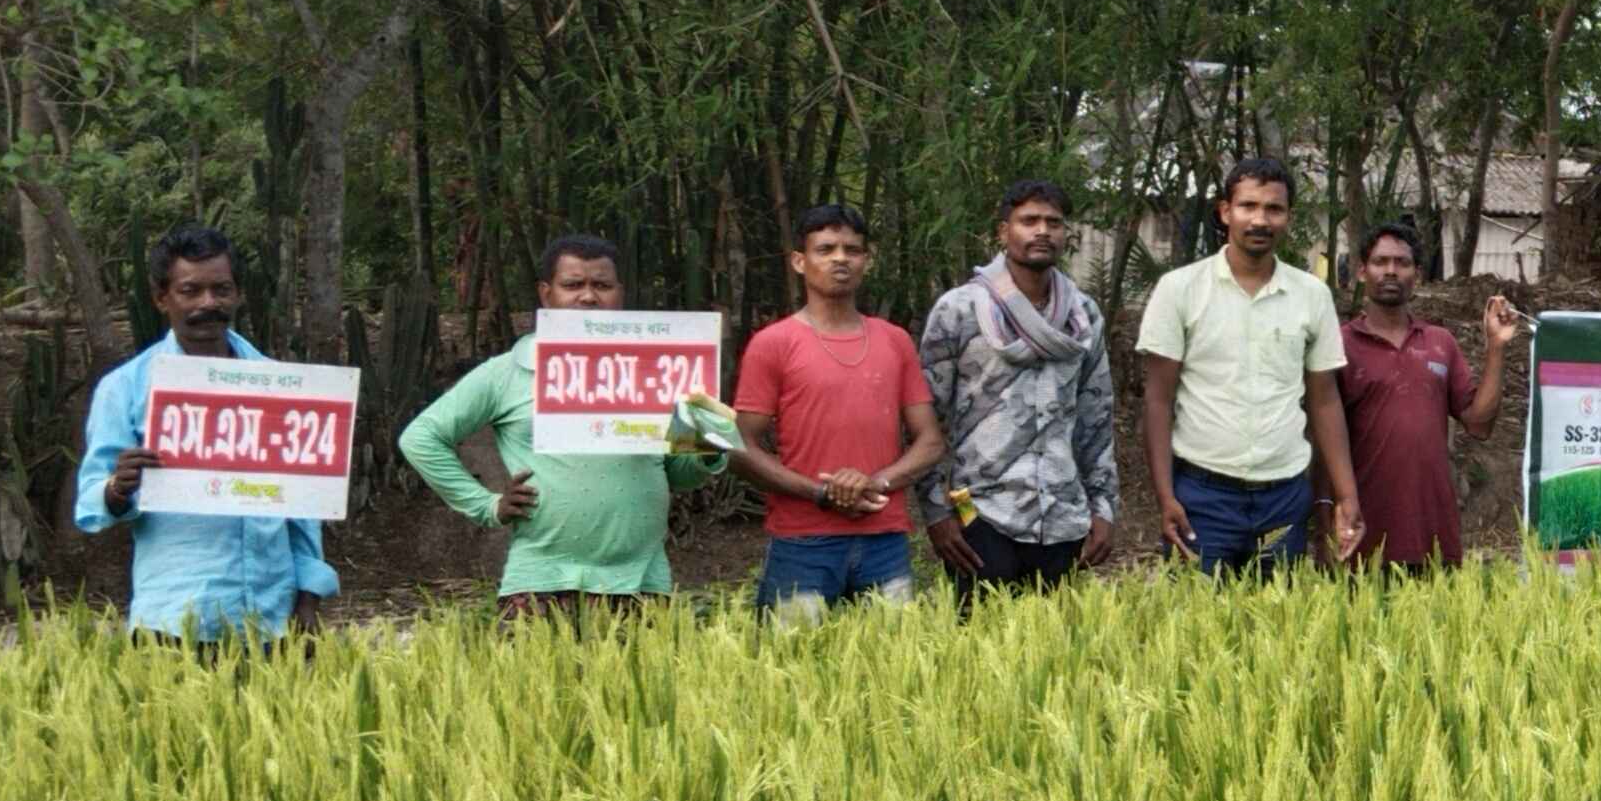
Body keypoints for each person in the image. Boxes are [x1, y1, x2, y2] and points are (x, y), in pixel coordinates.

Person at [399, 233, 725, 618]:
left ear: (620, 294)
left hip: (640, 579)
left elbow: (679, 474)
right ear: (546, 294)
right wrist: (486, 505)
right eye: (573, 285)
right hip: (540, 580)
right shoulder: (509, 371)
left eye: (602, 285)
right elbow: (420, 438)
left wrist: (710, 445)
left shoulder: (659, 370)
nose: (588, 297)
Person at [70, 225, 340, 642]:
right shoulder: (125, 387)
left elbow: (304, 509)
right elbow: (91, 501)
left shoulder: (279, 387)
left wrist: (308, 599)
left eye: (221, 290)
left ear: (238, 295)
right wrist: (117, 488)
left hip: (270, 617)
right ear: (162, 298)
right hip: (173, 618)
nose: (208, 303)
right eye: (190, 291)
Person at [1138, 156, 1363, 571]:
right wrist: (1165, 497)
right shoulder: (1179, 290)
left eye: (1274, 209)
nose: (1260, 220)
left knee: (1278, 612)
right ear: (1226, 211)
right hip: (1202, 496)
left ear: (1288, 217)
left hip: (1284, 496)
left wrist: (1347, 495)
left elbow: (1325, 401)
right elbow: (1157, 401)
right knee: (1194, 611)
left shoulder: (1312, 295)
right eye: (1248, 206)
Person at [729, 206, 945, 620]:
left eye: (852, 250)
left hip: (884, 538)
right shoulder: (773, 343)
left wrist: (876, 482)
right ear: (799, 261)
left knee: (894, 657)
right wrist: (821, 494)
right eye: (825, 249)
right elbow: (740, 447)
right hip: (802, 540)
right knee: (792, 657)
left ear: (868, 260)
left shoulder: (895, 340)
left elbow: (931, 440)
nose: (840, 259)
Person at [916, 182, 1120, 600]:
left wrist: (1104, 507)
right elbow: (924, 419)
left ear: (1066, 233)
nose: (1042, 231)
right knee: (977, 635)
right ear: (1003, 231)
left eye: (1053, 222)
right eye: (1029, 221)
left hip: (1062, 517)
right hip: (981, 513)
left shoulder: (1083, 315)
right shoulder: (959, 310)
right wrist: (936, 513)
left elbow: (1096, 416)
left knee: (1053, 639)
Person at [1337, 219, 1519, 568]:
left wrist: (1496, 346)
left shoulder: (1440, 343)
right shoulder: (1340, 344)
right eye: (1380, 262)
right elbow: (1324, 437)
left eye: (1402, 263)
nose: (1391, 271)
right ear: (1361, 272)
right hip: (1363, 530)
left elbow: (1479, 424)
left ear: (1417, 275)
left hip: (1433, 531)